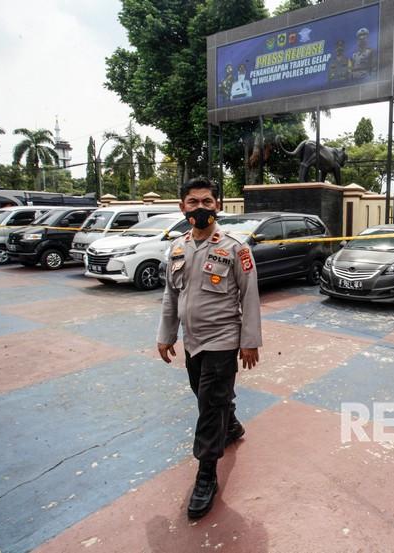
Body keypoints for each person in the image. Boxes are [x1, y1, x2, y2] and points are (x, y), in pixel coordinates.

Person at [157, 177, 262, 519]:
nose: (200, 207)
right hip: (193, 342)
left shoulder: (235, 248)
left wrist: (249, 342)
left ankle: (206, 475)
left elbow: (249, 296)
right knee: (206, 398)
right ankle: (230, 425)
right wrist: (166, 334)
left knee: (208, 406)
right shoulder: (176, 248)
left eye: (206, 201)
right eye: (193, 202)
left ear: (218, 204)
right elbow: (170, 297)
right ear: (182, 207)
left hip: (222, 340)